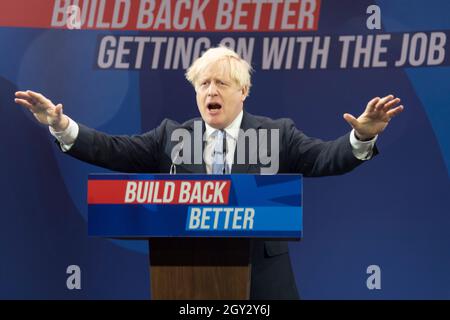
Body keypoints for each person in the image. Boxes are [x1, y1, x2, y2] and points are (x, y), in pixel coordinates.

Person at [14, 46, 404, 299]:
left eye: (220, 82)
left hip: (264, 286)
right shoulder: (171, 136)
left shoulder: (276, 133)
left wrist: (359, 136)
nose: (209, 91)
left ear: (243, 91)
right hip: (187, 283)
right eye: (203, 83)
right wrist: (62, 127)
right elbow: (114, 151)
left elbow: (325, 158)